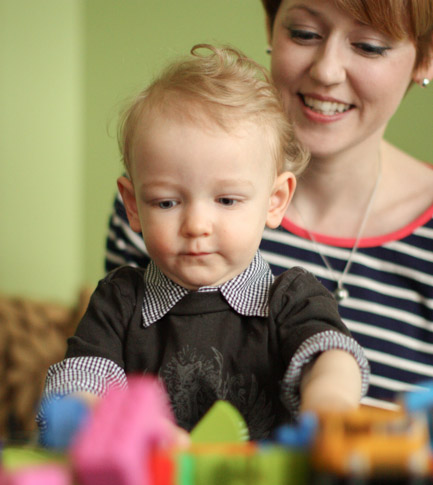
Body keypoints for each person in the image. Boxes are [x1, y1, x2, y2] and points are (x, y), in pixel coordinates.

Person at [105, 0, 433, 411]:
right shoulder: (157, 207)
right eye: (305, 33)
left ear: (426, 57)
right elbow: (111, 376)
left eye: (368, 46)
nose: (326, 71)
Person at [37, 44, 368, 440]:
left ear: (275, 201)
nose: (196, 225)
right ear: (134, 205)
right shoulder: (120, 302)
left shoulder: (289, 299)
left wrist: (329, 402)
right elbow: (76, 386)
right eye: (167, 202)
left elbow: (330, 355)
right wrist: (120, 423)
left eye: (227, 200)